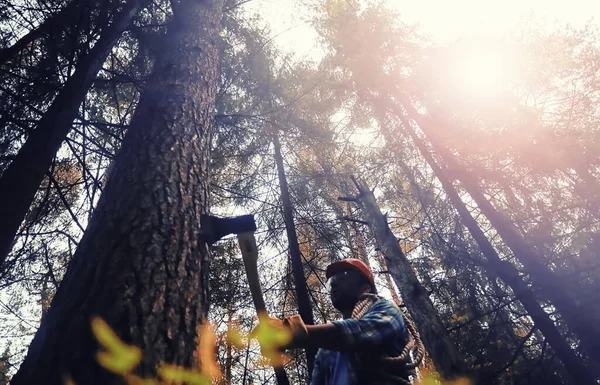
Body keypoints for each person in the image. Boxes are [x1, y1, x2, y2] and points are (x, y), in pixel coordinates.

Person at [272, 258, 414, 385]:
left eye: (343, 276)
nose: (333, 283)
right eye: (331, 281)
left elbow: (359, 332)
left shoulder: (386, 309)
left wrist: (293, 331)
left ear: (366, 287)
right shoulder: (325, 351)